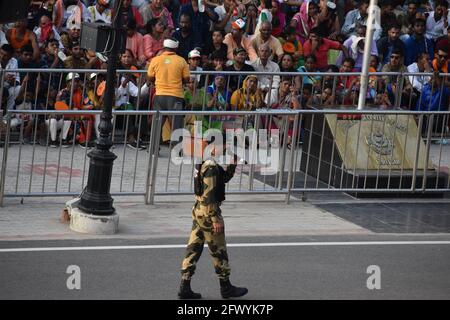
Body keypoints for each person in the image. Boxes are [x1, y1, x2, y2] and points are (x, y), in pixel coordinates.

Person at [178, 146, 248, 300]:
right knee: (219, 250)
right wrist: (215, 218)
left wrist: (233, 164)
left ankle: (185, 287)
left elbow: (222, 179)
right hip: (208, 213)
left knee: (193, 248)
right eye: (223, 147)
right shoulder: (210, 166)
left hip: (199, 212)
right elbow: (209, 195)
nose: (224, 150)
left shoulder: (204, 161)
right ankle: (226, 287)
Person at [147, 38, 190, 137]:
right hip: (176, 97)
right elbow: (187, 79)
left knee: (156, 125)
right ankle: (176, 151)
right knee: (177, 126)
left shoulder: (155, 60)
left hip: (159, 96)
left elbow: (149, 77)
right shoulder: (181, 61)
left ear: (164, 47)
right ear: (176, 48)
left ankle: (153, 150)